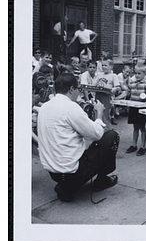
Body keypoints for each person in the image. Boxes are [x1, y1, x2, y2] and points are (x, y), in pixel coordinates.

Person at [37, 73, 119, 202]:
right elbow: (96, 134)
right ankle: (100, 181)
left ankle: (67, 185)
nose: (79, 93)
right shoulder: (70, 107)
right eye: (78, 89)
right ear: (71, 89)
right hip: (71, 169)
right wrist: (99, 114)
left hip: (53, 171)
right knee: (112, 136)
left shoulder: (44, 107)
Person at [126, 62, 146, 156]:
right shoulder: (132, 83)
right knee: (135, 127)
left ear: (144, 74)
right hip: (133, 108)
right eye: (135, 73)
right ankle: (134, 145)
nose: (136, 75)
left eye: (139, 73)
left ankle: (143, 147)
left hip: (141, 109)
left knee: (142, 127)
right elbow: (127, 92)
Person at [95, 58, 121, 126]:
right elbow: (93, 85)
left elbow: (118, 87)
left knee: (106, 115)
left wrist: (113, 89)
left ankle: (107, 130)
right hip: (98, 96)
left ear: (111, 66)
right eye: (102, 65)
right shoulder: (99, 75)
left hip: (107, 97)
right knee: (97, 113)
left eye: (105, 65)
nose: (103, 67)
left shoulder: (113, 76)